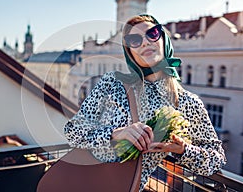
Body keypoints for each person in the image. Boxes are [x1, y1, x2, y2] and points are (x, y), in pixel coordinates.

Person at [64, 14, 226, 191]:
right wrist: (117, 133)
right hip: (83, 181)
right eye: (134, 39)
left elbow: (216, 159)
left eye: (153, 33)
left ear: (164, 39)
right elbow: (73, 132)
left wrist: (183, 150)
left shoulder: (188, 103)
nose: (145, 42)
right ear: (130, 52)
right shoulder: (112, 83)